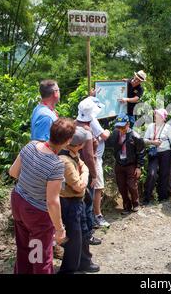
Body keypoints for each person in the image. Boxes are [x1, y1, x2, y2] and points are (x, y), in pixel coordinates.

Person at [9, 118, 76, 274]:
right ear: (68, 141)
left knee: (24, 248)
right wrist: (59, 229)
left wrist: (31, 179)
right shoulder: (56, 164)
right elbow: (52, 202)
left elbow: (13, 172)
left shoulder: (30, 145)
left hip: (18, 202)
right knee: (39, 256)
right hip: (36, 214)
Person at [58, 127, 100, 273]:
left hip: (76, 201)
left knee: (82, 233)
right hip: (69, 202)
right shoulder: (65, 160)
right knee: (74, 237)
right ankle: (70, 268)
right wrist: (86, 174)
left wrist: (84, 171)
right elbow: (79, 186)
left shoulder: (72, 154)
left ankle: (83, 262)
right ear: (79, 145)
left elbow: (82, 165)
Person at [76, 98, 102, 246]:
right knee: (88, 202)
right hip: (84, 172)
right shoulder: (86, 131)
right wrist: (94, 174)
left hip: (74, 170)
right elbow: (89, 157)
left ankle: (82, 232)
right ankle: (88, 235)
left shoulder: (74, 125)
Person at [110, 114, 145, 215]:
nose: (121, 129)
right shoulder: (115, 134)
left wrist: (138, 167)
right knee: (121, 186)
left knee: (132, 185)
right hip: (119, 163)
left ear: (128, 124)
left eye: (123, 127)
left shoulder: (135, 136)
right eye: (119, 127)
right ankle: (126, 206)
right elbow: (109, 143)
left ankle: (136, 204)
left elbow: (141, 152)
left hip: (131, 164)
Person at [143, 108, 171, 204]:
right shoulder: (151, 126)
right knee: (152, 173)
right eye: (155, 115)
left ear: (163, 118)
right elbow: (144, 140)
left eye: (158, 115)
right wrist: (152, 142)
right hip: (153, 152)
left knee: (164, 174)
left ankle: (162, 196)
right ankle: (147, 197)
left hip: (165, 152)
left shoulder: (167, 127)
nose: (155, 116)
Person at [89, 97, 111, 228]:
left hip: (91, 157)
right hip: (95, 158)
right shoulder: (92, 119)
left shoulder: (83, 118)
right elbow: (104, 136)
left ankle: (91, 216)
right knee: (98, 187)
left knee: (92, 187)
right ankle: (97, 215)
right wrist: (107, 131)